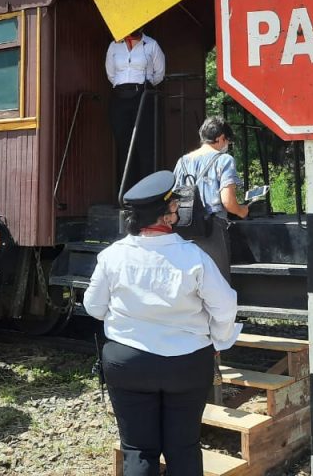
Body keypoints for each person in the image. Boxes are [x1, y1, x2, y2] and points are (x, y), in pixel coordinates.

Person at [84, 171, 240, 476]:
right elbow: (225, 307)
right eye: (174, 204)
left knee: (137, 449)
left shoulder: (112, 256)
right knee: (184, 448)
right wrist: (218, 340)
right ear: (167, 214)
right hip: (187, 364)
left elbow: (94, 307)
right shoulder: (194, 257)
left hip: (128, 362)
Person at [172, 116, 248, 283]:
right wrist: (242, 211)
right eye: (227, 141)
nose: (227, 145)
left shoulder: (182, 162)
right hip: (211, 228)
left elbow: (173, 198)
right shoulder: (224, 160)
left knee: (189, 283)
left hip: (184, 227)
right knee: (217, 283)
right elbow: (228, 202)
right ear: (221, 138)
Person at [106, 26, 165, 190]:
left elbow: (159, 74)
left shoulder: (151, 44)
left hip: (142, 95)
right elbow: (111, 74)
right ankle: (127, 192)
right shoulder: (114, 45)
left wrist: (143, 85)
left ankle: (146, 192)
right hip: (120, 96)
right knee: (123, 144)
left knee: (145, 144)